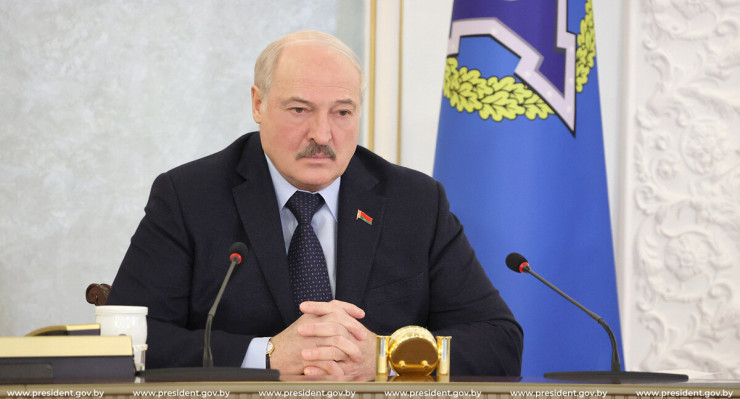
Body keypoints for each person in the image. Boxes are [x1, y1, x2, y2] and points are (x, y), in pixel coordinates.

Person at [107, 30, 523, 379]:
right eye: (299, 109)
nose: (322, 135)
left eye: (342, 112)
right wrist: (265, 356)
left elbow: (500, 342)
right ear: (258, 103)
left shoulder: (414, 202)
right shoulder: (189, 197)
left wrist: (386, 357)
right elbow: (125, 341)